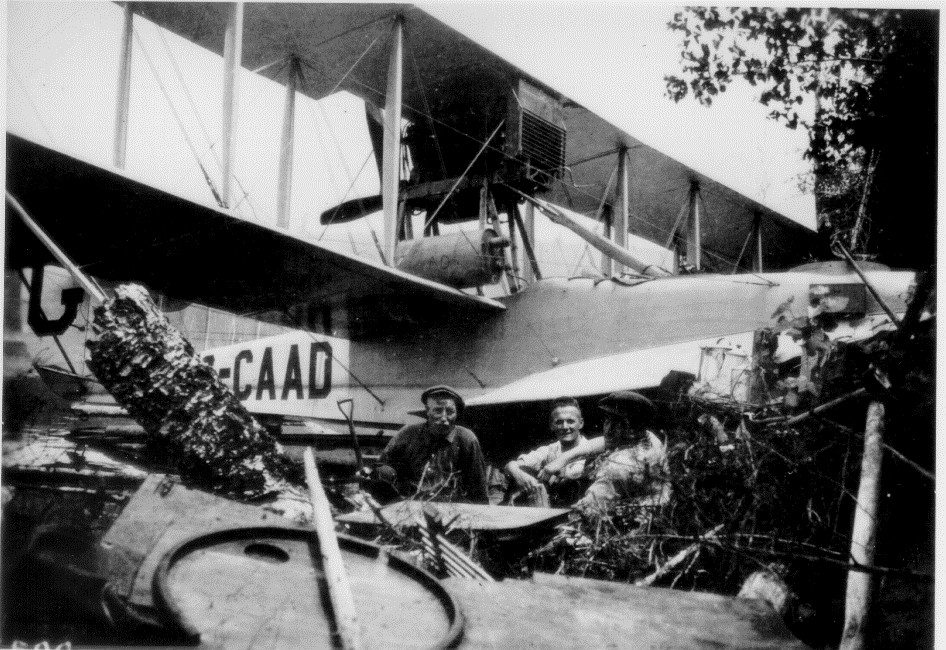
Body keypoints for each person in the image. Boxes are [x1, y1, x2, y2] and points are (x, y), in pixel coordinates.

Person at [538, 391, 670, 520]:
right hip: (656, 516)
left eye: (619, 424)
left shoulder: (618, 467)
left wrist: (542, 506)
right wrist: (564, 458)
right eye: (607, 421)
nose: (609, 429)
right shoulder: (650, 438)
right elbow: (602, 442)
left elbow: (581, 514)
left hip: (628, 527)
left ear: (633, 429)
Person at [376, 385, 489, 503]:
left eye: (450, 411)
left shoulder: (466, 439)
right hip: (409, 503)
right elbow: (383, 467)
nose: (444, 417)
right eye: (438, 410)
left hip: (450, 506)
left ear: (457, 413)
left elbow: (478, 486)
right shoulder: (408, 434)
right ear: (427, 411)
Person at [503, 397, 589, 507]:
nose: (565, 427)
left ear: (580, 423)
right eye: (559, 422)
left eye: (570, 421)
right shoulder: (551, 450)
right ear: (551, 425)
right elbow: (510, 466)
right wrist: (521, 477)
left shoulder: (591, 449)